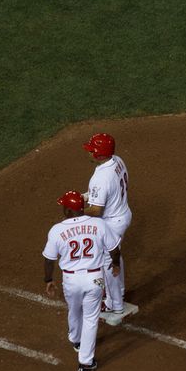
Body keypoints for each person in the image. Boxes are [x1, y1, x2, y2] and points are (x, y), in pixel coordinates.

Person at [42, 190, 121, 371]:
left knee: (74, 309)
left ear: (69, 210)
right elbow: (114, 248)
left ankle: (76, 340)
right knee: (91, 318)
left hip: (70, 279)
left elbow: (49, 260)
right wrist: (116, 265)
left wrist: (49, 280)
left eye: (63, 206)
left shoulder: (56, 230)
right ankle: (85, 364)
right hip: (94, 278)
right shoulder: (99, 224)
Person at [82, 133, 132, 314]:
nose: (89, 153)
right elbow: (107, 191)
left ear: (99, 154)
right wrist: (87, 196)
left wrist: (76, 211)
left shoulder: (101, 178)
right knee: (115, 255)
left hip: (111, 223)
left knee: (108, 261)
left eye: (91, 150)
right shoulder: (117, 160)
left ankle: (114, 304)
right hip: (122, 213)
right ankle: (118, 293)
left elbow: (96, 211)